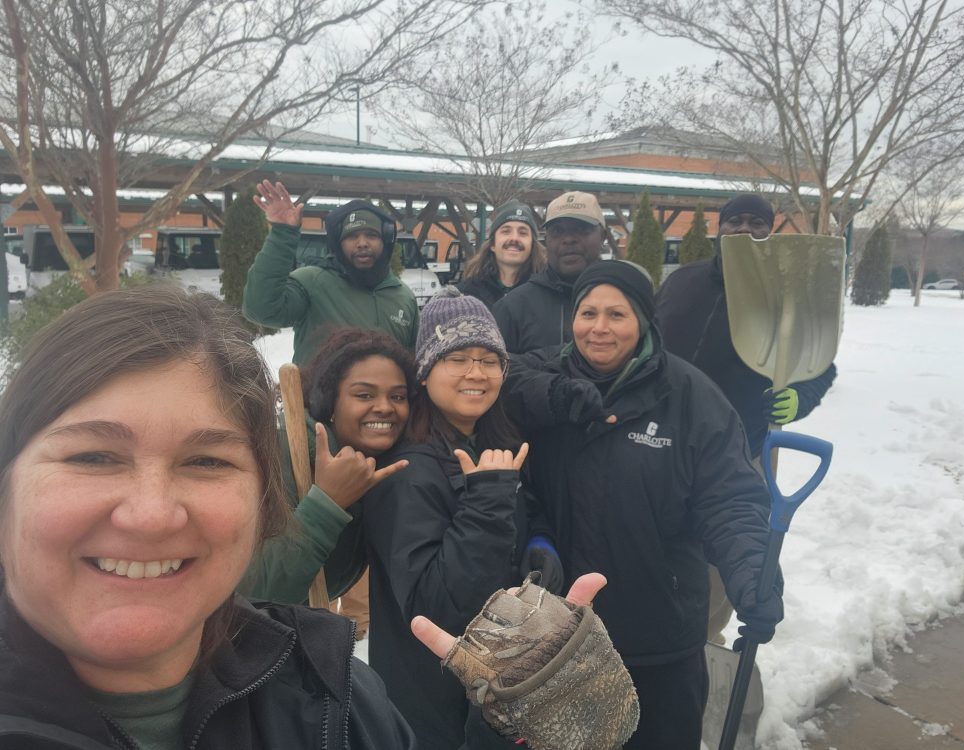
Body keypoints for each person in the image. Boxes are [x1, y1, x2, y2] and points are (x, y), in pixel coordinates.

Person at [0, 285, 415, 749]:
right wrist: (326, 506)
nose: (152, 516)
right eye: (93, 458)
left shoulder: (345, 708)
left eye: (205, 461)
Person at [501, 260, 783, 749]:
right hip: (561, 638)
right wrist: (556, 396)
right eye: (588, 313)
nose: (599, 328)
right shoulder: (544, 377)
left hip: (660, 635)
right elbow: (499, 372)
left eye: (617, 314)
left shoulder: (690, 396)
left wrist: (751, 573)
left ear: (644, 320)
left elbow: (730, 501)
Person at [363, 288, 558, 749]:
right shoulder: (407, 471)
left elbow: (525, 513)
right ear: (425, 371)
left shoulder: (494, 439)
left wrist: (540, 542)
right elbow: (435, 608)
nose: (476, 372)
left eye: (489, 360)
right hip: (436, 708)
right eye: (457, 359)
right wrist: (488, 502)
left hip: (493, 696)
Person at [654, 193, 836, 642]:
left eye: (756, 222)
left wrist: (800, 396)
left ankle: (705, 638)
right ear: (719, 229)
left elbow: (820, 364)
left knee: (728, 547)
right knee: (662, 536)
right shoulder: (683, 282)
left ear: (769, 232)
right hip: (665, 439)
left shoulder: (785, 293)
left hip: (744, 446)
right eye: (734, 221)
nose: (743, 229)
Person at [241, 327, 414, 639]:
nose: (385, 407)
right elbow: (253, 591)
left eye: (398, 396)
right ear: (329, 401)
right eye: (364, 395)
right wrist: (326, 504)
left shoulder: (379, 459)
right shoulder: (282, 456)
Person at [243, 180, 419, 365]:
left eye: (372, 235)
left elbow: (415, 361)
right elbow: (260, 310)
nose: (362, 243)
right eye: (352, 236)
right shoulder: (312, 282)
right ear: (338, 244)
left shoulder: (403, 297)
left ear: (385, 241)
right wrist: (283, 234)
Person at [492, 191, 608, 353]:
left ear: (603, 236)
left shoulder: (628, 299)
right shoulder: (512, 308)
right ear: (546, 240)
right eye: (557, 231)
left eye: (581, 229)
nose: (568, 239)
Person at [457, 200, 545, 310]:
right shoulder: (466, 294)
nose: (514, 238)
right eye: (506, 231)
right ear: (492, 244)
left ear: (532, 245)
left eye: (523, 233)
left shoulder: (545, 294)